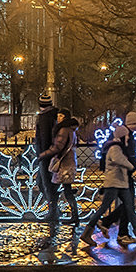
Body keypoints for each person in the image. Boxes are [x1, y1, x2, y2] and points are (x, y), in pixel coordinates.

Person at [81, 126, 136, 247]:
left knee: (130, 208)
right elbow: (117, 159)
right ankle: (87, 233)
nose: (128, 138)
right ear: (122, 136)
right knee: (103, 208)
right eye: (126, 136)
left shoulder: (118, 147)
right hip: (114, 183)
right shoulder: (115, 147)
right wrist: (131, 166)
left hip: (121, 182)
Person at [97, 112, 136, 243]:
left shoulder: (123, 133)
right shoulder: (124, 134)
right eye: (133, 124)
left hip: (121, 173)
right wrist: (132, 165)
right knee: (129, 205)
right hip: (123, 174)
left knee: (128, 204)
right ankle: (120, 232)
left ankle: (109, 224)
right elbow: (124, 153)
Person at [38, 109, 81, 226]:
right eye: (58, 116)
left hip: (64, 165)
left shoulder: (63, 129)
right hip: (69, 163)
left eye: (61, 116)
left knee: (54, 189)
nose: (59, 118)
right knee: (66, 190)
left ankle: (56, 212)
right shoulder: (70, 129)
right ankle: (72, 215)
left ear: (66, 117)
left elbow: (57, 147)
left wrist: (43, 155)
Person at [33, 94, 61, 224]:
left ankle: (53, 211)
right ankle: (54, 208)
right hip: (52, 154)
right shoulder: (55, 115)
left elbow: (44, 138)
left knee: (46, 184)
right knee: (46, 183)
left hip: (45, 155)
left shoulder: (44, 118)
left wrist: (42, 154)